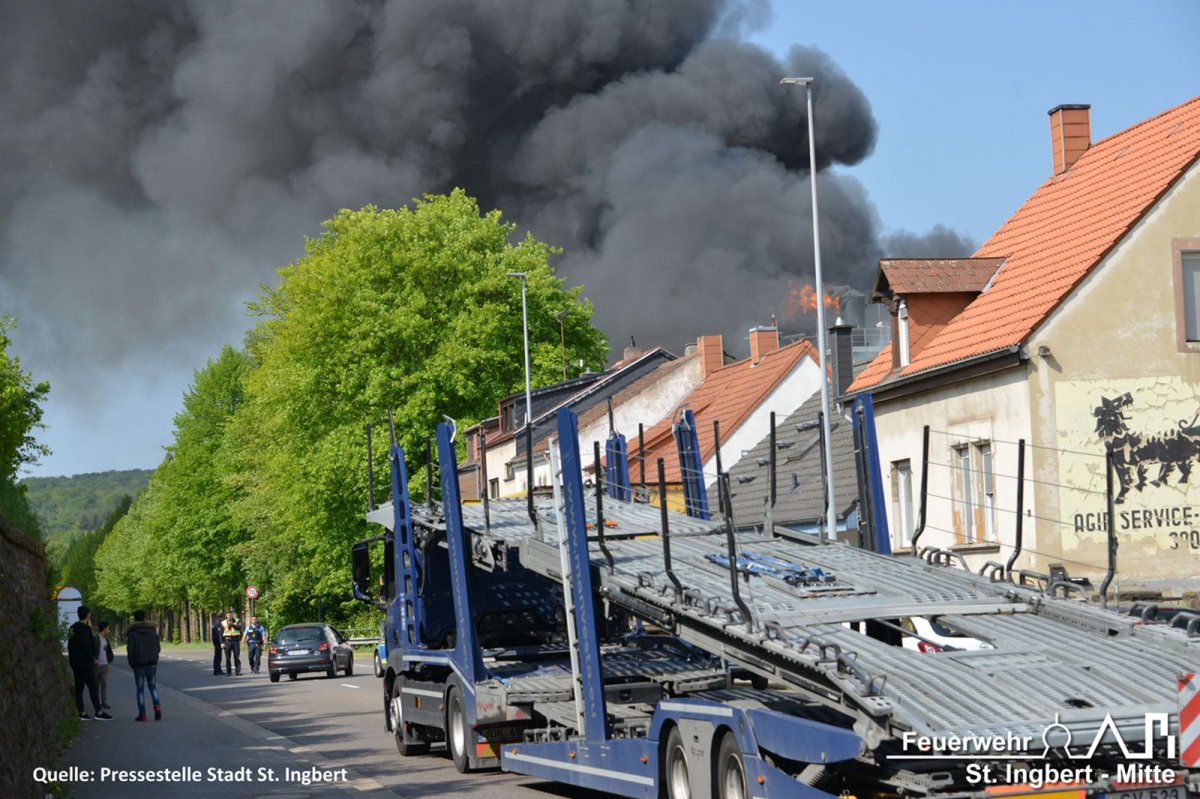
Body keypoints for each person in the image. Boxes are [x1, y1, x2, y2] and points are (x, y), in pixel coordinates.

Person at [68, 606, 112, 721]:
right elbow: (86, 646)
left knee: (79, 687)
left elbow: (70, 646)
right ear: (87, 615)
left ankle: (81, 712)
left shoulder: (72, 628)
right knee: (93, 686)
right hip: (85, 663)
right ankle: (99, 711)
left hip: (75, 662)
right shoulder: (85, 629)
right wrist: (93, 658)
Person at [126, 609, 162, 721]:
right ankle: (157, 707)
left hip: (139, 664)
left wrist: (132, 664)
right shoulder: (152, 632)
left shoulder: (132, 634)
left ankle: (142, 714)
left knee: (140, 689)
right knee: (153, 687)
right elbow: (158, 648)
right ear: (145, 618)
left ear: (134, 619)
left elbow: (130, 652)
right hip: (152, 663)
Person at [95, 621, 114, 710]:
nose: (109, 630)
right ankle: (96, 702)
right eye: (108, 628)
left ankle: (104, 702)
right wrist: (93, 660)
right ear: (104, 628)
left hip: (105, 665)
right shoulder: (95, 639)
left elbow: (108, 651)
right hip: (96, 666)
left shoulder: (106, 640)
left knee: (104, 684)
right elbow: (92, 651)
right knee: (96, 685)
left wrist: (109, 660)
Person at [221, 610, 242, 676]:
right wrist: (222, 642)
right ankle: (228, 672)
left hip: (235, 640)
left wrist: (233, 625)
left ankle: (238, 671)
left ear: (232, 615)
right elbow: (221, 633)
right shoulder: (223, 622)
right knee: (227, 657)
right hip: (227, 641)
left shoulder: (237, 620)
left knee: (237, 657)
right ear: (226, 616)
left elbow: (239, 628)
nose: (229, 616)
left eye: (230, 615)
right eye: (228, 615)